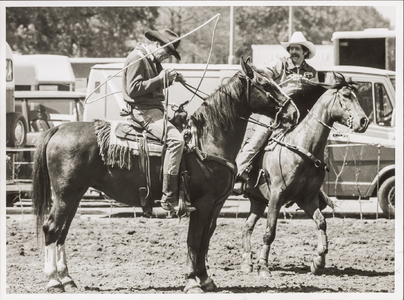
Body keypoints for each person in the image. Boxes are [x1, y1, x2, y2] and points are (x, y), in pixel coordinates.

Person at [234, 31, 318, 194]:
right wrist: (254, 70)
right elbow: (266, 74)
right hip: (276, 112)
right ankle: (236, 175)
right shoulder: (281, 64)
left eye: (297, 49)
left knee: (314, 147)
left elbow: (314, 95)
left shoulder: (311, 72)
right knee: (258, 139)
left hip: (299, 117)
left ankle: (311, 186)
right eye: (292, 49)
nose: (293, 52)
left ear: (304, 52)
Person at [122, 28, 195, 213]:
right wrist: (161, 78)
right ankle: (169, 197)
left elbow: (153, 84)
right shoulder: (137, 58)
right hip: (143, 111)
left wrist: (171, 78)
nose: (167, 57)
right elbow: (133, 89)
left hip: (154, 109)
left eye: (170, 54)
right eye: (167, 52)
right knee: (176, 141)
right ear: (156, 44)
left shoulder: (151, 60)